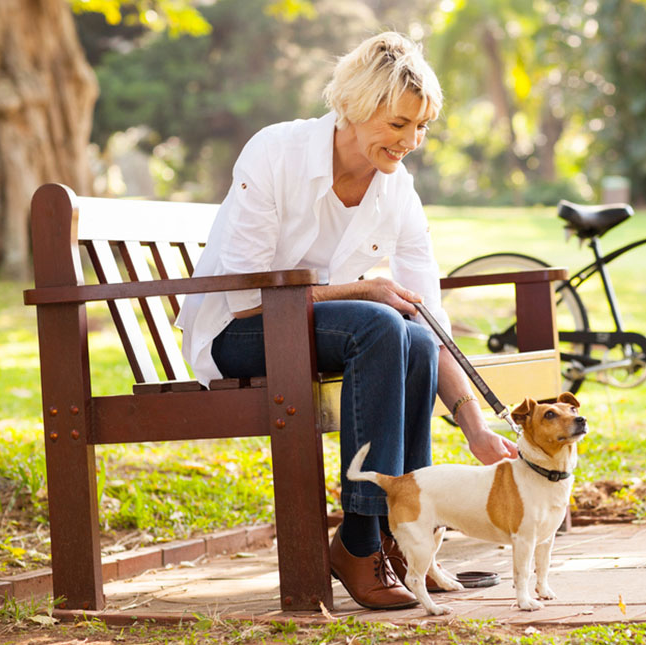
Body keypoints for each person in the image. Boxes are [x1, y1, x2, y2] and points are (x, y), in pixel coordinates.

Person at [176, 32, 518, 610]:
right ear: (357, 108)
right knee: (381, 324)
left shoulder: (397, 188)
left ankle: (402, 535)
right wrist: (365, 287)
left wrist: (474, 425)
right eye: (398, 124)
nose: (411, 141)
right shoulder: (275, 152)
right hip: (237, 334)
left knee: (406, 332)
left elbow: (430, 321)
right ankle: (359, 542)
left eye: (422, 127)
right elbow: (244, 296)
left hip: (321, 331)